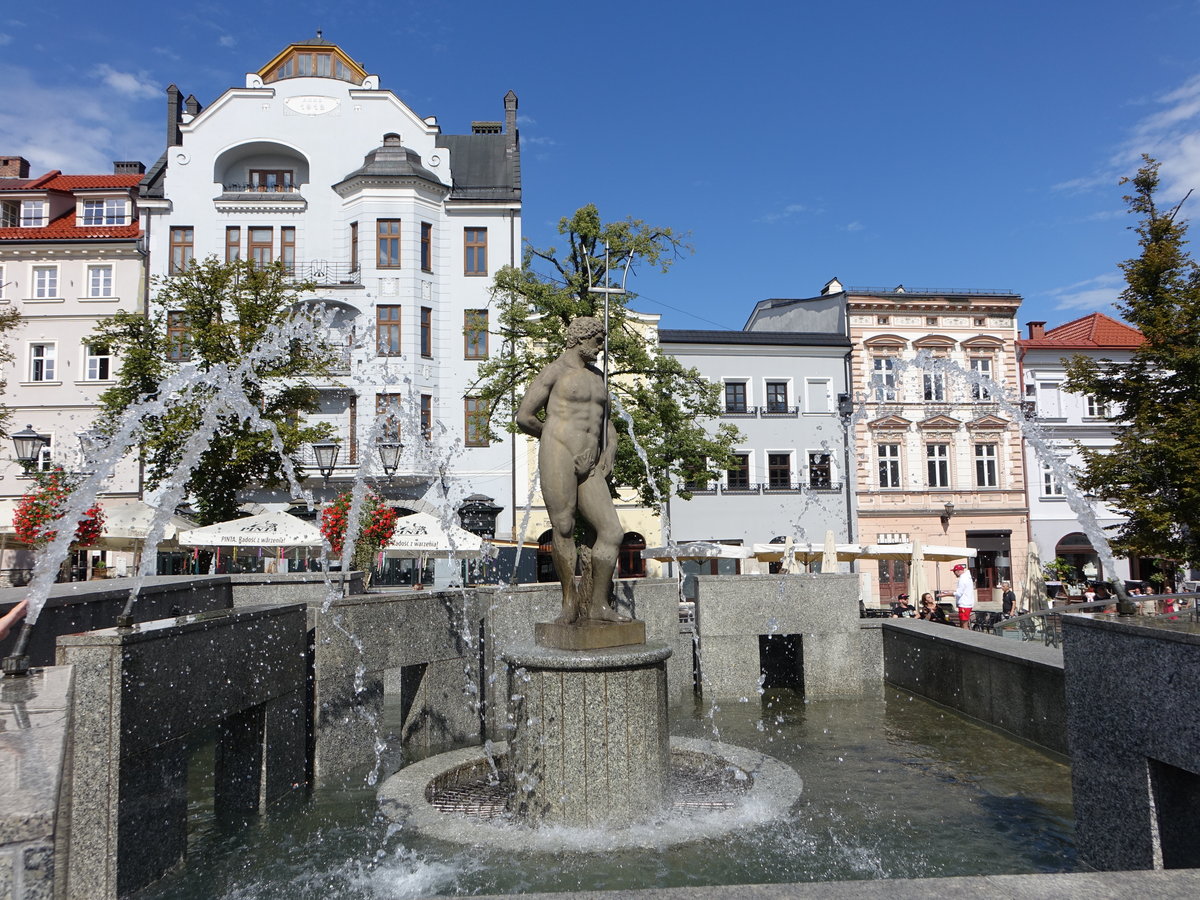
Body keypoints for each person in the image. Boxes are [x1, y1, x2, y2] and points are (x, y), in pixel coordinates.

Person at [516, 316, 628, 625]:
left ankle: (598, 605)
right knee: (563, 526)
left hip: (592, 462)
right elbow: (525, 416)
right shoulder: (554, 372)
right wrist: (557, 438)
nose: (601, 346)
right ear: (579, 339)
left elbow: (607, 424)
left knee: (611, 532)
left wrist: (609, 454)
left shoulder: (598, 377)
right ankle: (569, 602)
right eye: (597, 340)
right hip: (559, 452)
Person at [939, 563, 975, 629]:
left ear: (958, 571)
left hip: (964, 604)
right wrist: (948, 592)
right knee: (963, 624)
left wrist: (945, 595)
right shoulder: (967, 578)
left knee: (964, 624)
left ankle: (965, 637)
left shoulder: (963, 579)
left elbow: (959, 593)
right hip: (967, 603)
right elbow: (961, 591)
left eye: (954, 572)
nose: (954, 573)